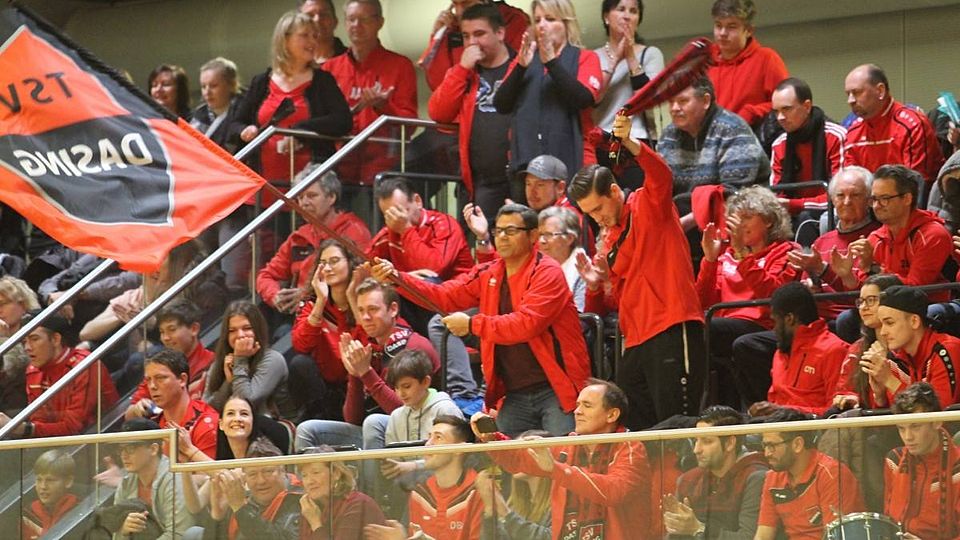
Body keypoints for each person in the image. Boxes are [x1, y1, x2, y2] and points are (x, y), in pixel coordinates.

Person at [371, 203, 591, 437]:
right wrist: (397, 278)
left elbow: (526, 324)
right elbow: (445, 295)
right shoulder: (489, 272)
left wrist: (471, 325)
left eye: (511, 231)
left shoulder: (548, 272)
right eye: (499, 231)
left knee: (562, 454)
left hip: (556, 387)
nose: (502, 237)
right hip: (514, 390)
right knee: (504, 457)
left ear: (533, 235)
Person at [570, 114, 705, 429]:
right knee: (637, 427)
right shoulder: (609, 239)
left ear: (614, 191)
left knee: (677, 424)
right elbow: (614, 301)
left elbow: (661, 173)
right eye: (589, 214)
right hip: (635, 338)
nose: (597, 218)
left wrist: (631, 143)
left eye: (598, 208)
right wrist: (597, 286)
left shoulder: (648, 204)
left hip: (672, 326)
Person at [475, 379, 652, 538]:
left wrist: (557, 469)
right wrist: (492, 437)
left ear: (612, 415)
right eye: (577, 405)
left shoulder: (630, 447)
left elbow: (614, 491)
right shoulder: (568, 444)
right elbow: (517, 460)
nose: (577, 412)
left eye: (587, 406)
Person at [295, 279, 440, 451]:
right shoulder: (369, 348)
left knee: (373, 422)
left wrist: (366, 373)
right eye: (361, 310)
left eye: (373, 309)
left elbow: (405, 411)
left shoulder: (413, 346)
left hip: (420, 430)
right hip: (379, 431)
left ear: (393, 309)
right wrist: (354, 374)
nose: (365, 317)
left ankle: (377, 471)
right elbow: (353, 419)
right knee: (307, 430)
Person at [494, 0, 602, 192]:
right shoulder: (525, 58)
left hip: (574, 160)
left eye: (550, 19)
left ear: (566, 24)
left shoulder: (585, 57)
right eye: (537, 20)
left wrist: (551, 62)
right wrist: (521, 67)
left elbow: (583, 99)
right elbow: (501, 104)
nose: (542, 25)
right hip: (526, 165)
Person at [427, 3, 517, 220]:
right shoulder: (463, 72)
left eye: (479, 34)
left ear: (500, 33)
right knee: (483, 238)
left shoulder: (521, 66)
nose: (471, 43)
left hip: (520, 177)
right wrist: (462, 69)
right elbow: (438, 112)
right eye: (466, 36)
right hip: (482, 181)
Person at [697, 186, 797, 375]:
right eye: (737, 219)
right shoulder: (726, 256)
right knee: (690, 325)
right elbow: (703, 302)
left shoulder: (786, 252)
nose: (740, 225)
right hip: (725, 324)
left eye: (747, 218)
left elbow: (773, 298)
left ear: (768, 220)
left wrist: (743, 255)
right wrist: (710, 260)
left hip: (764, 324)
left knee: (705, 328)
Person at [656, 76, 769, 232]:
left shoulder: (732, 130)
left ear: (705, 101)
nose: (674, 108)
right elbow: (659, 187)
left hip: (737, 216)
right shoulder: (669, 135)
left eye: (683, 101)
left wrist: (681, 225)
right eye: (671, 102)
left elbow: (733, 194)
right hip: (685, 215)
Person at [323, 0, 418, 185]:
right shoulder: (329, 68)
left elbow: (410, 125)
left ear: (380, 23)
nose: (356, 25)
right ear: (345, 23)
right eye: (351, 19)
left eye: (364, 19)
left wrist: (384, 106)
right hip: (337, 167)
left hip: (384, 171)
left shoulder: (400, 66)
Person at [257, 165, 371, 315]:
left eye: (311, 196)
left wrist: (307, 294)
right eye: (300, 197)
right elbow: (265, 276)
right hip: (301, 316)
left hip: (342, 314)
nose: (304, 203)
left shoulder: (355, 231)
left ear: (331, 197)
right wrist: (276, 296)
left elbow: (361, 279)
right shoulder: (298, 237)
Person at [785, 166, 881, 324]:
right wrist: (811, 286)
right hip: (816, 320)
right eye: (840, 195)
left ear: (869, 201)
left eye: (855, 195)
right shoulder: (821, 241)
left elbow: (865, 299)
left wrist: (823, 270)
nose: (847, 202)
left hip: (850, 320)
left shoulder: (877, 238)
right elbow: (807, 287)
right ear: (833, 200)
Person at [0, 312, 117, 437]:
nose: (27, 347)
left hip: (100, 436)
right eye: (24, 341)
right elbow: (38, 421)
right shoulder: (33, 370)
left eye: (34, 339)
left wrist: (23, 429)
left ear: (56, 339)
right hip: (57, 438)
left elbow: (75, 427)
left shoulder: (84, 366)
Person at [754, 407, 864, 540]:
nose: (767, 453)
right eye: (764, 446)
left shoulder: (832, 474)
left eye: (772, 446)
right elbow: (763, 535)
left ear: (797, 444)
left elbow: (836, 537)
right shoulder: (772, 477)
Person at [368, 415, 482, 540]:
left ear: (459, 449)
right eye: (429, 437)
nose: (428, 444)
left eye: (438, 437)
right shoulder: (419, 490)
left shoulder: (479, 491)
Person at [847, 165, 952, 298]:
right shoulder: (875, 238)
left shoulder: (933, 234)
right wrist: (846, 275)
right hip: (881, 305)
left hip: (926, 307)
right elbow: (864, 290)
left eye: (885, 199)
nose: (877, 206)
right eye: (874, 199)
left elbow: (915, 290)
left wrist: (873, 269)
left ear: (907, 198)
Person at [664, 406, 767, 539]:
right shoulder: (688, 479)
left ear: (730, 443)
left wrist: (697, 529)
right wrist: (676, 526)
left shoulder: (756, 477)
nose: (696, 450)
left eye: (707, 441)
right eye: (696, 441)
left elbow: (750, 537)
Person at [749, 282, 848, 417]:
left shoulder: (834, 350)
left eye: (775, 321)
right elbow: (774, 401)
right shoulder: (780, 353)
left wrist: (787, 411)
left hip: (814, 428)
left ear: (790, 319)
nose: (773, 329)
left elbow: (838, 412)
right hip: (777, 426)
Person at [843, 64, 944, 196]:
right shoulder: (853, 132)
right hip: (870, 202)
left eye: (857, 92)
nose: (850, 100)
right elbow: (852, 185)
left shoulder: (912, 124)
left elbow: (917, 185)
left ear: (880, 91)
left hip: (910, 201)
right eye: (848, 94)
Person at [289, 239, 361, 421]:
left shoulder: (366, 298)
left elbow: (372, 340)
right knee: (300, 363)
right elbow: (300, 345)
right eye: (323, 263)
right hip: (324, 388)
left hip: (358, 382)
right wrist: (321, 301)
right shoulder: (312, 302)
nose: (328, 268)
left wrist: (352, 298)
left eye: (334, 261)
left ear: (350, 262)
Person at [885, 382, 960, 540]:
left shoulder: (958, 467)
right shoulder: (894, 460)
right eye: (901, 428)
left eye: (915, 427)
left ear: (937, 422)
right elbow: (888, 522)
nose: (908, 437)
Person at [203, 301, 298, 421]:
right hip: (232, 427)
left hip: (275, 425)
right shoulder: (220, 363)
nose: (240, 335)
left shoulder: (273, 359)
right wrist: (229, 382)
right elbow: (207, 411)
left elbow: (247, 402)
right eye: (232, 330)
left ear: (257, 330)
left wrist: (240, 360)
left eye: (247, 328)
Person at [868, 285, 960, 408]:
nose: (883, 332)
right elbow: (893, 417)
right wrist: (880, 396)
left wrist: (889, 381)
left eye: (889, 323)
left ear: (914, 321)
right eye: (881, 324)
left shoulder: (947, 350)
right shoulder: (897, 360)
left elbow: (937, 414)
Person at [369, 177, 473, 282]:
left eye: (401, 211)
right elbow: (366, 264)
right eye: (389, 215)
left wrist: (405, 230)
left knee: (428, 280)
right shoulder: (389, 231)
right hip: (415, 288)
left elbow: (432, 270)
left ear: (417, 201)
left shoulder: (444, 224)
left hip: (456, 287)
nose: (396, 219)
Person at [769, 77, 846, 217]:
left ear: (807, 106)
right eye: (776, 111)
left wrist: (795, 205)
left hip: (830, 214)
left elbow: (841, 197)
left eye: (786, 109)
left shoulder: (836, 136)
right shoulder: (779, 144)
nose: (780, 117)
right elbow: (777, 195)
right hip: (790, 214)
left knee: (807, 217)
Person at [707, 0, 788, 131]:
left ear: (749, 30)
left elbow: (786, 104)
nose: (722, 33)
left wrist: (752, 112)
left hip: (753, 136)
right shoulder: (703, 62)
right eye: (718, 25)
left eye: (731, 27)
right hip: (710, 138)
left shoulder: (767, 59)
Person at [593, 0, 664, 148]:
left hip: (638, 138)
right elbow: (593, 100)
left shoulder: (650, 54)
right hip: (601, 137)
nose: (627, 16)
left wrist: (630, 56)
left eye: (633, 11)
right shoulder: (593, 57)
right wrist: (614, 62)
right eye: (621, 9)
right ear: (606, 17)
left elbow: (648, 102)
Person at [125, 348, 219, 460]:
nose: (152, 386)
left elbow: (210, 471)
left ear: (182, 380)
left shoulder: (206, 422)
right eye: (148, 380)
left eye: (160, 378)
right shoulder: (152, 422)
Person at [198, 439, 301, 539]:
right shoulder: (241, 498)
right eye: (252, 474)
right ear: (245, 477)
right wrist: (217, 516)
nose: (261, 481)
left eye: (268, 471)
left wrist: (240, 507)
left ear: (283, 471)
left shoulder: (298, 499)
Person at [831, 274, 904, 411]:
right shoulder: (857, 348)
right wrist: (852, 398)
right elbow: (843, 390)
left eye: (871, 300)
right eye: (861, 301)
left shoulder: (905, 347)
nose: (863, 307)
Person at [112, 418, 194, 539]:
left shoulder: (174, 479)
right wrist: (124, 531)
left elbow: (179, 534)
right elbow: (115, 533)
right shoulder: (126, 483)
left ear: (153, 449)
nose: (124, 455)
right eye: (121, 449)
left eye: (130, 448)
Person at [420, 0, 526, 91]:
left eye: (466, 4)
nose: (459, 12)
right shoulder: (450, 29)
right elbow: (438, 86)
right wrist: (438, 35)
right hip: (464, 104)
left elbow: (520, 73)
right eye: (455, 4)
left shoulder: (512, 20)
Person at [129, 299, 213, 405]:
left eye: (172, 329)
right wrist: (138, 408)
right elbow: (133, 407)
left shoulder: (212, 364)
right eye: (162, 332)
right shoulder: (158, 366)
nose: (165, 338)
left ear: (194, 329)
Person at [474, 433, 552, 540]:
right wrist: (490, 512)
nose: (515, 459)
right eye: (514, 453)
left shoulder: (560, 503)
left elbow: (550, 537)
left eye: (521, 452)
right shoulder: (515, 504)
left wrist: (505, 513)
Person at [299, 445, 386, 539]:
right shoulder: (310, 508)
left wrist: (315, 523)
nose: (309, 481)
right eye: (304, 475)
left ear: (336, 473)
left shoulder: (357, 503)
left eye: (316, 473)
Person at [0, 276, 39, 416]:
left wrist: (4, 339)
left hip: (21, 408)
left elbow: (15, 369)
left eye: (2, 304)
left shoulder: (39, 330)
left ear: (23, 304)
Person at [189, 57, 244, 155]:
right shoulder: (199, 114)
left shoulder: (245, 111)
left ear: (232, 85)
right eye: (203, 86)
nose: (207, 92)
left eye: (213, 86)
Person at [537, 206, 587, 311]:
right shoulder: (536, 266)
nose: (541, 241)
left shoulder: (584, 271)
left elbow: (580, 317)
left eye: (548, 235)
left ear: (569, 238)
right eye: (540, 234)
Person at [22, 450, 78, 539]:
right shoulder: (29, 514)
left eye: (50, 480)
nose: (43, 486)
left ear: (68, 481)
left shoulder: (80, 509)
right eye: (39, 480)